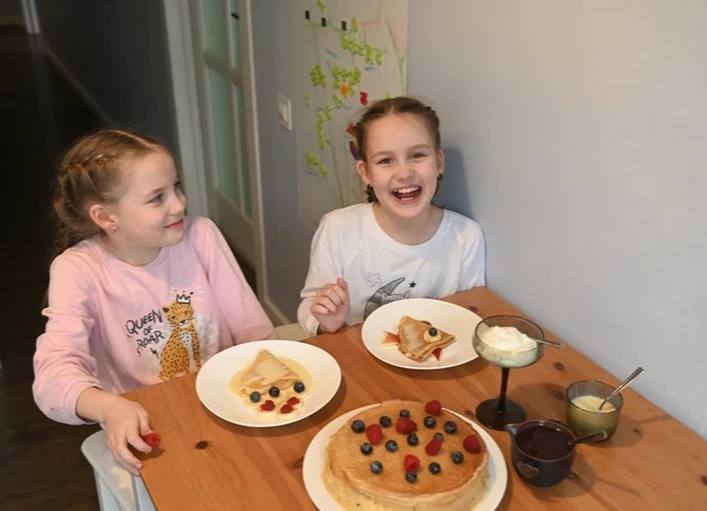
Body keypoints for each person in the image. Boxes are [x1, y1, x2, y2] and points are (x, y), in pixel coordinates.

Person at [33, 128, 276, 474]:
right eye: (157, 198)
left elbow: (252, 331)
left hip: (229, 403)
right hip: (152, 426)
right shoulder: (77, 270)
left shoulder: (202, 235)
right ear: (106, 217)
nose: (179, 204)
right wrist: (109, 408)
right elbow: (52, 379)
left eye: (176, 187)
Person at [297, 96, 486, 335]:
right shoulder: (337, 229)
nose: (404, 173)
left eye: (417, 155)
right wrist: (326, 323)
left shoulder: (465, 236)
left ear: (439, 162)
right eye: (386, 160)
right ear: (366, 173)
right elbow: (310, 305)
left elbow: (470, 317)